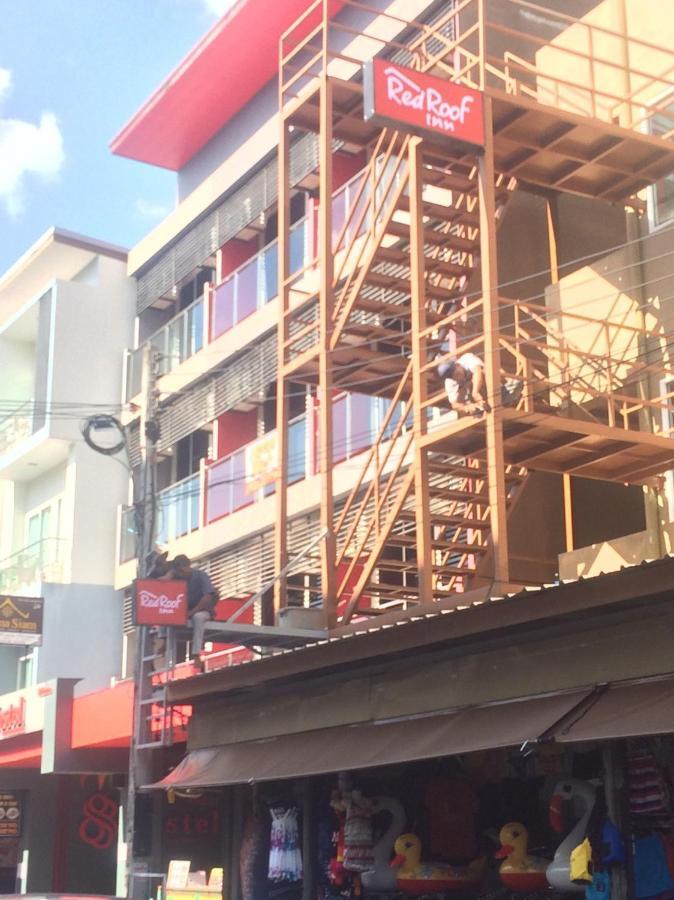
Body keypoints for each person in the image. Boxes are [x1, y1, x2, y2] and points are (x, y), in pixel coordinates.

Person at [170, 554, 217, 657]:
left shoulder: (201, 575)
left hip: (203, 611)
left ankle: (196, 653)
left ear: (188, 566)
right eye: (178, 571)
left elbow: (208, 596)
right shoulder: (178, 579)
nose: (180, 574)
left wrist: (193, 611)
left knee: (198, 617)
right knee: (165, 612)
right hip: (186, 611)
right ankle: (165, 642)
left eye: (182, 570)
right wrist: (170, 574)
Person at [437, 346, 491, 415]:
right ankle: (480, 406)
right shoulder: (449, 382)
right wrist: (466, 407)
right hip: (478, 397)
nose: (457, 378)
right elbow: (454, 404)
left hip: (490, 382)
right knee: (462, 390)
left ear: (457, 365)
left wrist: (475, 392)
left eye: (457, 374)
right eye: (454, 378)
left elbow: (477, 370)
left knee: (477, 376)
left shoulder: (467, 358)